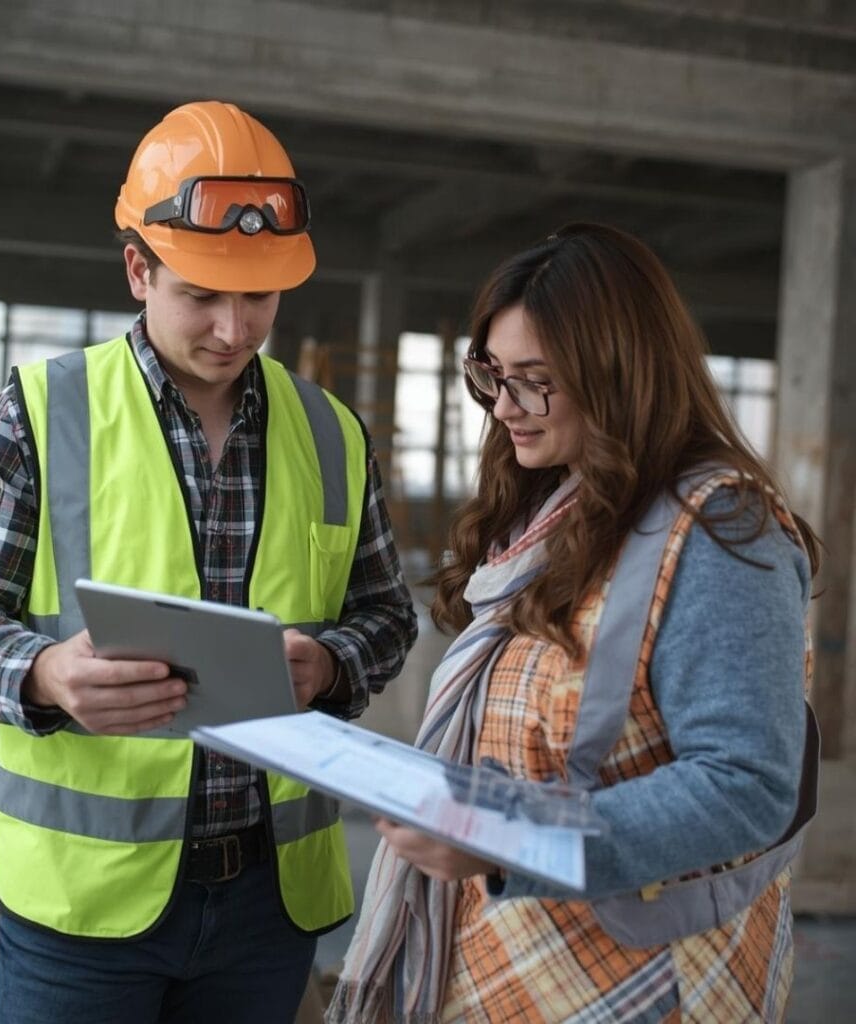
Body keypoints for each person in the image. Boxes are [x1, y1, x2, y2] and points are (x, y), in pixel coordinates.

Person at [0, 100, 417, 1024]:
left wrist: (336, 662)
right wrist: (40, 673)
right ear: (139, 269)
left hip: (270, 904)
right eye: (201, 295)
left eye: (258, 296)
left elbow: (387, 613)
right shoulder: (43, 411)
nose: (233, 329)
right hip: (82, 908)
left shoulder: (333, 434)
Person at [328, 222, 819, 1024]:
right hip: (507, 962)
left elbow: (746, 785)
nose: (504, 407)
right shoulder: (559, 515)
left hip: (646, 981)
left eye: (535, 380)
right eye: (491, 375)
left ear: (621, 373)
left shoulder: (725, 533)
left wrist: (507, 835)